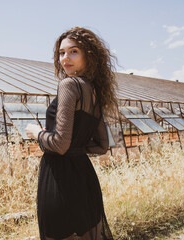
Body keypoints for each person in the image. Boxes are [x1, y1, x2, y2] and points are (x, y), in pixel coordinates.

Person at [25, 27, 118, 240]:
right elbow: (102, 145)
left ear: (89, 55)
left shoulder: (69, 85)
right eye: (61, 53)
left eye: (74, 51)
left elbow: (59, 144)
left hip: (60, 180)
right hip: (84, 179)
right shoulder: (93, 91)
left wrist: (37, 132)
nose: (65, 58)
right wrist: (75, 147)